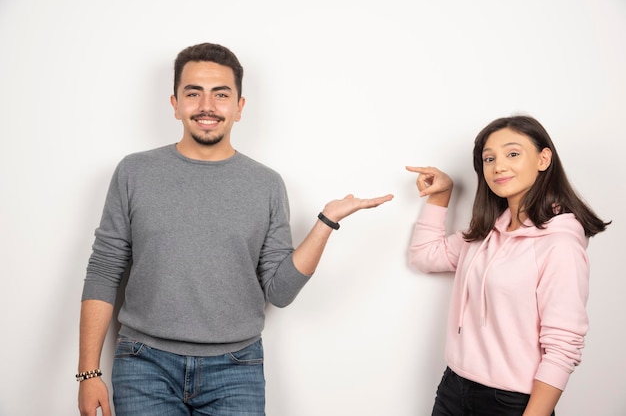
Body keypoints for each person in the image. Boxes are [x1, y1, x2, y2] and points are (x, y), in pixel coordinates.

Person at [77, 42, 393, 416]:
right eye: (193, 93)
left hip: (235, 369)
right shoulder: (134, 172)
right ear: (175, 103)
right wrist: (88, 373)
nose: (207, 106)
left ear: (239, 107)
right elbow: (104, 270)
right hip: (144, 364)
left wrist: (326, 222)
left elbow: (279, 291)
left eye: (221, 94)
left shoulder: (266, 184)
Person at [406, 115, 610, 416]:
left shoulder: (560, 244)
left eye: (512, 153)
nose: (498, 166)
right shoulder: (485, 233)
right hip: (453, 388)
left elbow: (563, 347)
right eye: (489, 158)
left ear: (543, 159)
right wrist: (441, 194)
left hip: (511, 403)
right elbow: (424, 256)